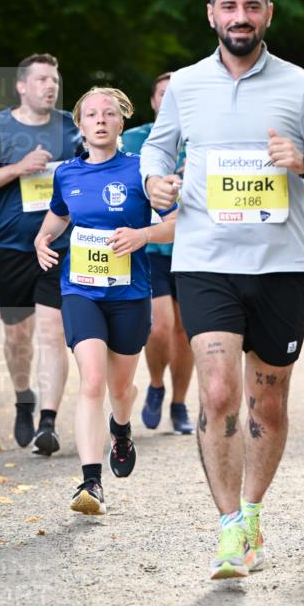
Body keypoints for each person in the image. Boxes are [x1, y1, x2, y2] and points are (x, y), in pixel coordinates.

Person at [141, 0, 304, 579]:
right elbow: (158, 148)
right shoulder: (186, 84)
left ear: (269, 13)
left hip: (280, 267)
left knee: (268, 402)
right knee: (217, 393)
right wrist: (154, 179)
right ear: (211, 13)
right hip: (206, 260)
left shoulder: (299, 85)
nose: (241, 18)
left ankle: (255, 510)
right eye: (230, 7)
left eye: (252, 7)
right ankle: (228, 529)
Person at [35, 87, 177, 516]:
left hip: (130, 294)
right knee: (92, 380)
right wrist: (43, 237)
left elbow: (174, 225)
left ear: (121, 123)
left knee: (120, 387)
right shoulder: (67, 174)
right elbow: (59, 213)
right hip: (79, 289)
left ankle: (121, 428)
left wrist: (143, 235)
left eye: (109, 114)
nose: (100, 120)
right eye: (91, 115)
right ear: (80, 125)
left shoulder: (140, 172)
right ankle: (91, 482)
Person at [0, 53, 81, 455]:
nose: (50, 86)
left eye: (55, 80)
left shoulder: (72, 126)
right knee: (18, 336)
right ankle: (23, 399)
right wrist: (19, 167)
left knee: (54, 332)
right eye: (42, 80)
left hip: (59, 247)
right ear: (21, 86)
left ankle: (48, 421)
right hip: (9, 248)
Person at [122, 72, 195, 436]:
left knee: (186, 332)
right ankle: (155, 384)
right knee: (160, 327)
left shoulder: (201, 134)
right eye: (162, 94)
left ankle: (179, 405)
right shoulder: (134, 140)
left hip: (194, 247)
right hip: (151, 246)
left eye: (175, 94)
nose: (169, 99)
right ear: (152, 101)